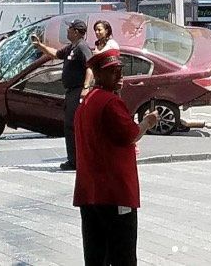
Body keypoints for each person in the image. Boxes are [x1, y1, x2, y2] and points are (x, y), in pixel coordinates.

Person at [74, 49, 159, 265]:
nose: (119, 75)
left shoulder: (86, 101)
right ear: (99, 75)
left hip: (90, 192)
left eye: (120, 70)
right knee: (123, 255)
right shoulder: (110, 103)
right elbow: (131, 135)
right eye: (113, 71)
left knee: (95, 254)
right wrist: (147, 123)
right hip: (115, 192)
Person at [32, 19, 92, 171]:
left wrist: (86, 87)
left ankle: (76, 161)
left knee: (72, 126)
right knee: (69, 126)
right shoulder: (72, 47)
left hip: (78, 90)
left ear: (76, 32)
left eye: (69, 29)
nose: (67, 31)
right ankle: (73, 159)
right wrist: (41, 46)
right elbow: (56, 54)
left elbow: (90, 67)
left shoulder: (82, 47)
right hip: (71, 91)